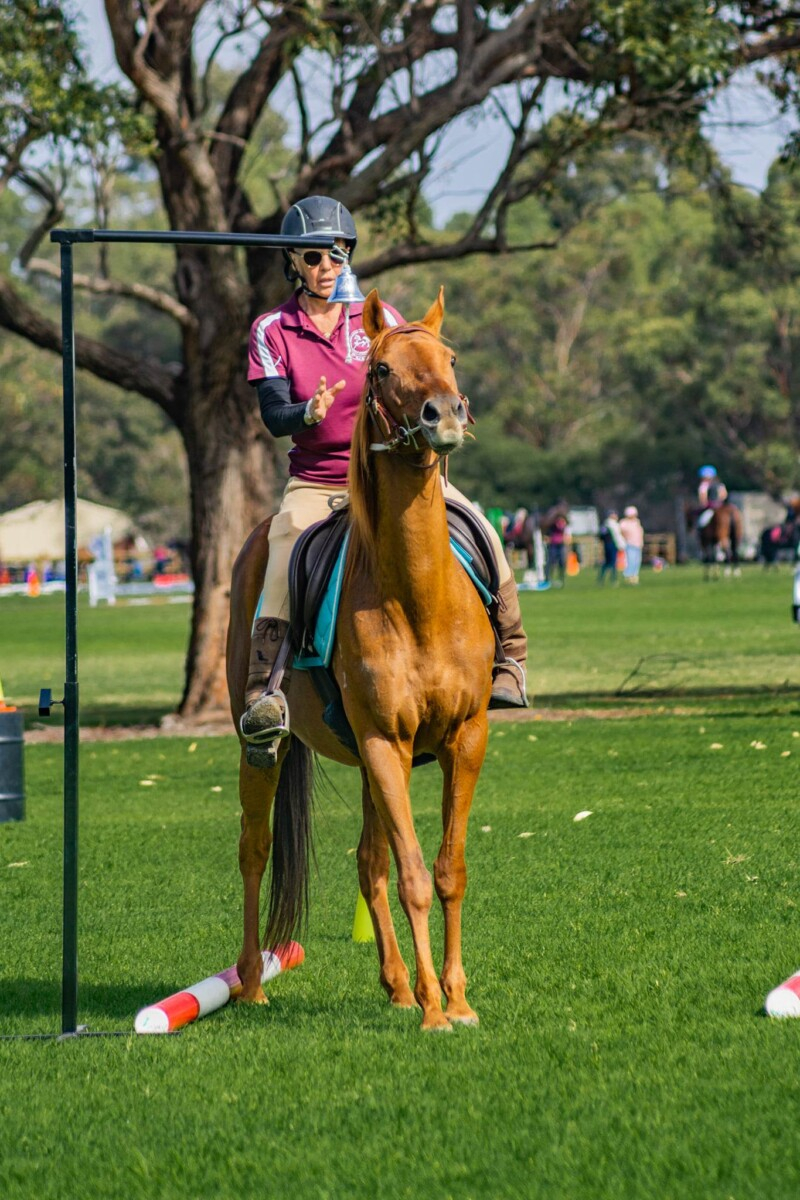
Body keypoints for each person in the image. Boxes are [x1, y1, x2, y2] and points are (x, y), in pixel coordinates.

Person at [240, 195, 529, 752]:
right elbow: (273, 415)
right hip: (319, 482)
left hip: (394, 475)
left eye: (338, 253)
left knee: (482, 530)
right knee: (284, 544)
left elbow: (420, 377)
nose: (327, 266)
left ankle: (511, 657)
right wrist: (307, 413)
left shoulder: (381, 319)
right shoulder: (272, 328)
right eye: (314, 256)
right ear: (293, 261)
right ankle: (265, 691)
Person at [597, 510, 624, 584]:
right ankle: (613, 579)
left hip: (607, 545)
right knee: (612, 562)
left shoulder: (606, 524)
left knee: (607, 562)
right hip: (611, 545)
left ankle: (601, 578)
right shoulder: (611, 525)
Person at [619, 505, 644, 584]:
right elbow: (621, 532)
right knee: (631, 561)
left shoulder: (636, 522)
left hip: (638, 544)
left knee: (637, 561)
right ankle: (628, 576)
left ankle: (634, 576)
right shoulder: (624, 523)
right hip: (630, 544)